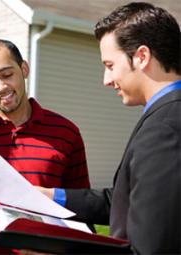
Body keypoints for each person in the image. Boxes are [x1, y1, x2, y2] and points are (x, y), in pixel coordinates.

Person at [34, 2, 181, 254]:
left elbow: (150, 249)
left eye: (110, 65)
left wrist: (58, 248)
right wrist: (47, 196)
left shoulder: (164, 128)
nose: (106, 79)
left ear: (142, 57)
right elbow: (126, 199)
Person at [0, 39, 91, 254]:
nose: (0, 87)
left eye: (6, 75)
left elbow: (83, 213)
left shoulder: (66, 132)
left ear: (24, 69)